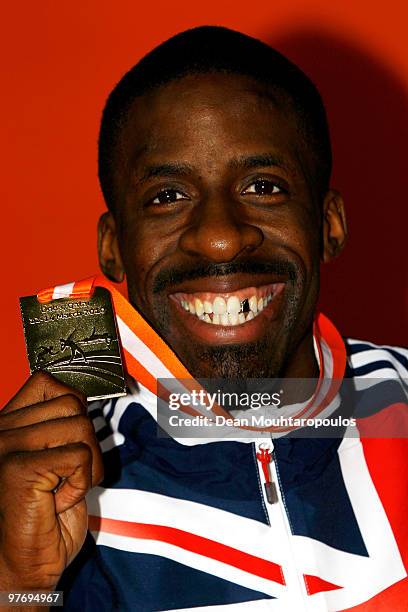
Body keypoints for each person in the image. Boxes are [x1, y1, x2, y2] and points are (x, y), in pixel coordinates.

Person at [1, 26, 407, 612]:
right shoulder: (50, 486)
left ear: (329, 224)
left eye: (263, 186)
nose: (219, 238)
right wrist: (19, 585)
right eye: (168, 196)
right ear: (113, 246)